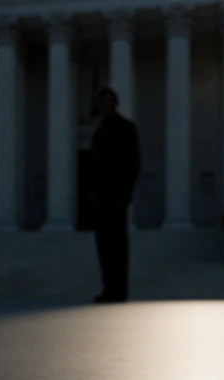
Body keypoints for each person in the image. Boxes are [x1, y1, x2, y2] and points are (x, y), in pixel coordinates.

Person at [87, 87, 141, 303]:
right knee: (104, 247)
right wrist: (91, 194)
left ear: (115, 103)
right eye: (100, 102)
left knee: (117, 247)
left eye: (106, 102)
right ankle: (108, 287)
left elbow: (133, 163)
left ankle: (119, 289)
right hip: (101, 199)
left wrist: (125, 194)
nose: (102, 106)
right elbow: (93, 167)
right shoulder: (100, 131)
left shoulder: (125, 128)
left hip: (115, 198)